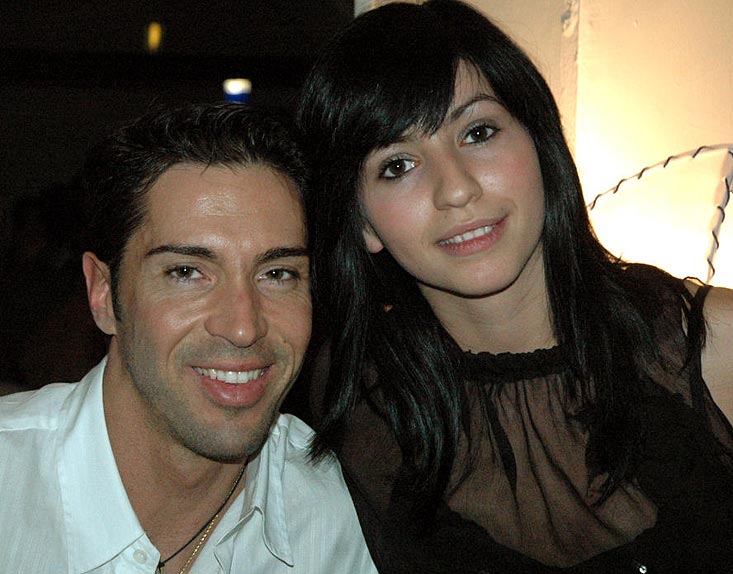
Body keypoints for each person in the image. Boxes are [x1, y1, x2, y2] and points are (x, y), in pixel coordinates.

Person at [296, 1, 733, 572]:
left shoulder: (711, 346)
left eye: (478, 132)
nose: (456, 189)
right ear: (361, 222)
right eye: (397, 165)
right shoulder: (358, 397)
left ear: (539, 142)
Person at [0, 103, 377, 574]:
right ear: (103, 294)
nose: (243, 327)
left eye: (277, 273)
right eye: (186, 272)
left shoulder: (341, 511)